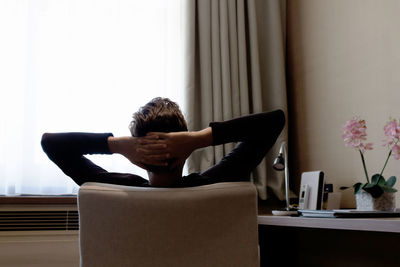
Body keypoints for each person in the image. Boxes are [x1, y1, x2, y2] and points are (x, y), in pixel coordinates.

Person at [41, 97, 285, 188]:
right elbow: (274, 122)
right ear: (186, 151)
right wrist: (197, 139)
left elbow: (51, 144)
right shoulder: (212, 184)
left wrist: (119, 145)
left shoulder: (112, 189)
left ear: (137, 160)